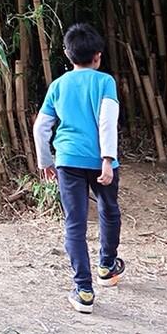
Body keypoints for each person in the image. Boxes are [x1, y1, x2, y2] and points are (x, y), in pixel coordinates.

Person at [32, 22, 125, 313]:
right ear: (98, 56)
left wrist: (46, 161)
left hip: (67, 160)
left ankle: (83, 290)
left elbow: (41, 127)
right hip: (100, 160)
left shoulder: (57, 86)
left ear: (67, 55)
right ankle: (107, 266)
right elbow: (108, 121)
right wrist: (107, 160)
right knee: (109, 210)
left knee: (75, 222)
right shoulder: (105, 82)